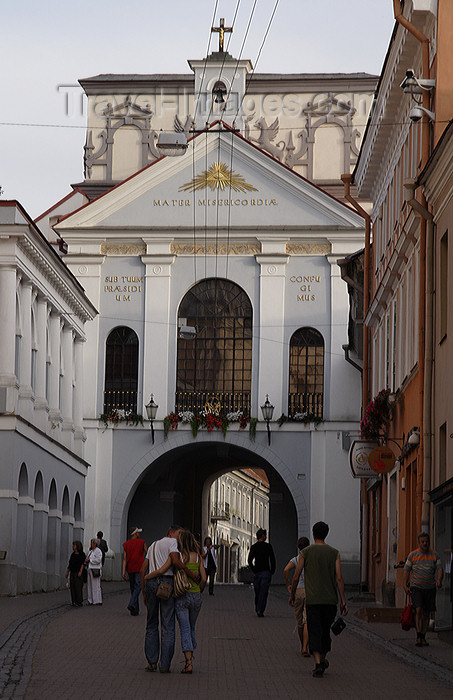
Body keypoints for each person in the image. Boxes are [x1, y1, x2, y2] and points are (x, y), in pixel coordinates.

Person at [289, 521, 348, 678]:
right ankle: (322, 659)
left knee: (315, 630)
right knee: (325, 631)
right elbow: (339, 578)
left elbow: (296, 576)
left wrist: (292, 594)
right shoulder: (334, 553)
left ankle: (317, 663)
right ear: (326, 534)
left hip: (313, 600)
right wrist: (343, 600)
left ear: (313, 534)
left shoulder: (305, 552)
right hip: (330, 600)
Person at [140, 525, 200, 673]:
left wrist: (143, 592)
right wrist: (189, 573)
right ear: (171, 532)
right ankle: (164, 665)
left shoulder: (153, 545)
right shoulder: (172, 542)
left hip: (151, 584)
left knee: (151, 623)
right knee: (168, 625)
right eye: (178, 534)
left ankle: (152, 661)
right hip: (166, 584)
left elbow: (143, 569)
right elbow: (174, 560)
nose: (179, 538)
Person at [403, 532, 443, 647]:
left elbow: (439, 569)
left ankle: (423, 636)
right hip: (417, 587)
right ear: (419, 543)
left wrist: (439, 580)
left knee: (426, 613)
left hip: (430, 588)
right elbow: (406, 571)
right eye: (423, 542)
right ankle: (418, 635)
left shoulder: (435, 555)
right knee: (418, 609)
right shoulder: (413, 555)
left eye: (426, 541)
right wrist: (405, 585)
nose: (425, 543)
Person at [284, 536, 310, 656]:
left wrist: (289, 586)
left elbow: (286, 570)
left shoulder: (296, 559)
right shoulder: (311, 558)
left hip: (298, 591)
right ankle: (306, 646)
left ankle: (302, 646)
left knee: (300, 621)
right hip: (310, 591)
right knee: (307, 620)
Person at [247, 528, 276, 617]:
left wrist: (254, 569)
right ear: (263, 536)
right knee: (263, 591)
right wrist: (272, 570)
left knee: (258, 591)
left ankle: (258, 607)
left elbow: (249, 560)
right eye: (265, 535)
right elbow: (272, 559)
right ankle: (260, 609)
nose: (266, 537)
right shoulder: (268, 546)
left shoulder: (254, 547)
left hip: (257, 572)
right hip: (266, 572)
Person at [122, 526, 147, 616]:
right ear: (136, 533)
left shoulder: (126, 544)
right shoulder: (142, 542)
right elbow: (147, 553)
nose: (139, 534)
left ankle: (134, 610)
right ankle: (132, 603)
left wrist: (123, 571)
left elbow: (124, 559)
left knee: (133, 588)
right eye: (138, 532)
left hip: (130, 568)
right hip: (139, 568)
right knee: (138, 586)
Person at [65, 540, 86, 607]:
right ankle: (74, 601)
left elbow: (83, 563)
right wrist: (67, 572)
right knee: (72, 587)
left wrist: (80, 571)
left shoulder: (82, 554)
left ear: (77, 546)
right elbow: (70, 564)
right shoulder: (73, 554)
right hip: (72, 572)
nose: (73, 547)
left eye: (74, 545)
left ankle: (79, 601)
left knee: (78, 587)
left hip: (78, 572)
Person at [85, 537, 103, 605]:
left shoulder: (98, 551)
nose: (91, 544)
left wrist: (90, 560)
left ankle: (97, 600)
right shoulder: (90, 551)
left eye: (92, 543)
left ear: (95, 544)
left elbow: (98, 560)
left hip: (95, 569)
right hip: (90, 568)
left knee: (96, 585)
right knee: (90, 585)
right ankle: (90, 600)